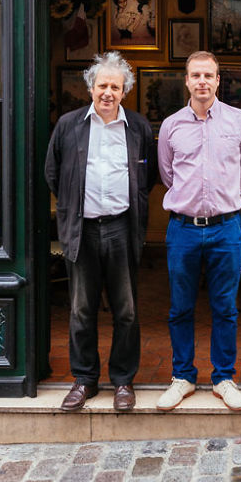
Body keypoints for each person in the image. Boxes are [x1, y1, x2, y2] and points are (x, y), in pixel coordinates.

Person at [45, 51, 157, 412]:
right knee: (81, 309)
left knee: (126, 310)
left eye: (115, 87)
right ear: (91, 87)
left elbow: (147, 176)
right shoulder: (69, 125)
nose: (108, 92)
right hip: (83, 228)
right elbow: (53, 173)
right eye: (102, 85)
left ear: (125, 91)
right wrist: (72, 206)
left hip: (122, 227)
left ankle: (123, 380)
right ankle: (85, 380)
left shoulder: (138, 127)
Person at [156, 50, 241, 412]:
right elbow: (167, 173)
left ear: (218, 81)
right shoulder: (171, 126)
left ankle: (223, 378)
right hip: (183, 228)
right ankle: (182, 376)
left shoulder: (239, 121)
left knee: (225, 308)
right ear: (187, 81)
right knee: (180, 308)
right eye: (196, 75)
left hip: (225, 228)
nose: (202, 81)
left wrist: (225, 198)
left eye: (208, 75)